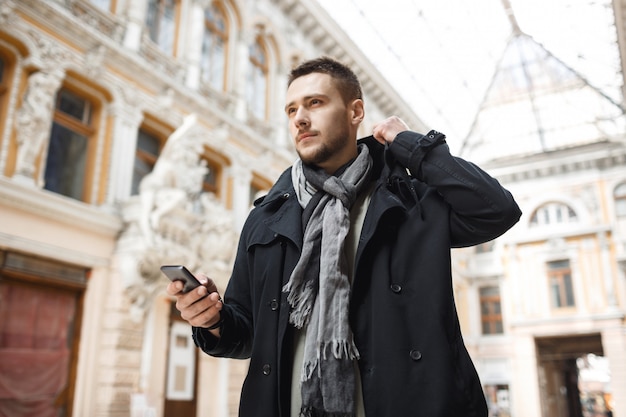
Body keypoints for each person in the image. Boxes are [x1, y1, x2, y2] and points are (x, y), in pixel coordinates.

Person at [166, 56, 521, 417]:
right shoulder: (266, 218)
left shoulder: (409, 199)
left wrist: (410, 144)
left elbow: (496, 210)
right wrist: (211, 321)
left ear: (356, 112)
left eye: (315, 103)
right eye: (291, 110)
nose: (300, 118)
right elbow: (247, 336)